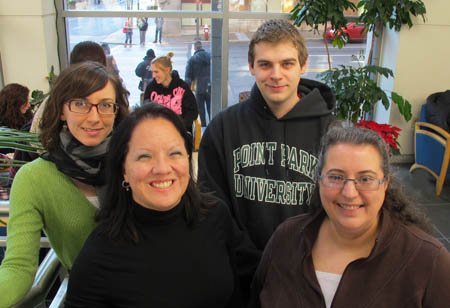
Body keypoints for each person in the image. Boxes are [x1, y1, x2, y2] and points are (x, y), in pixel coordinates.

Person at [65, 103, 258, 308]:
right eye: (144, 156)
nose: (162, 169)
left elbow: (244, 288)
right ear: (123, 170)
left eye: (174, 153)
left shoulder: (216, 216)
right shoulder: (98, 256)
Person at [249, 127, 450, 308]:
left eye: (365, 179)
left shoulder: (429, 261)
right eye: (336, 177)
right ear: (319, 180)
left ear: (385, 183)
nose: (349, 192)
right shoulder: (286, 239)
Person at [198, 19, 336, 252]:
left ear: (303, 66)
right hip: (238, 271)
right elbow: (211, 205)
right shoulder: (222, 128)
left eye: (287, 64)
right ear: (251, 66)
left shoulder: (332, 133)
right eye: (265, 65)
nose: (276, 75)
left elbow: (336, 210)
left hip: (306, 270)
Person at [0, 61, 129, 308]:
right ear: (61, 110)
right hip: (91, 299)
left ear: (116, 110)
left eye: (105, 105)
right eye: (80, 104)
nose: (94, 117)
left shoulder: (135, 164)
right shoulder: (34, 179)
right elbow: (18, 267)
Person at [30, 40, 108, 134]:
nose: (93, 119)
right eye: (79, 105)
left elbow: (36, 137)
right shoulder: (111, 98)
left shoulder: (53, 99)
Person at [143, 53, 198, 133]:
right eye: (152, 72)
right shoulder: (151, 87)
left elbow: (192, 112)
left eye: (156, 72)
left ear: (167, 70)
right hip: (155, 133)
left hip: (178, 132)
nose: (153, 76)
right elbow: (145, 110)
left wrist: (178, 127)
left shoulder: (182, 87)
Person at [185, 40, 211, 127]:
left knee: (200, 109)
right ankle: (213, 126)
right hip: (210, 87)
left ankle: (203, 127)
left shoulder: (192, 60)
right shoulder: (210, 56)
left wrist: (186, 90)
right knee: (211, 108)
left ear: (195, 48)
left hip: (199, 88)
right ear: (201, 46)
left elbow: (188, 76)